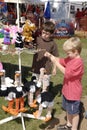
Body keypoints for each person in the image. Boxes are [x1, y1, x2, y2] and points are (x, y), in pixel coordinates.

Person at [44, 37, 84, 130]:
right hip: (67, 91)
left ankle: (74, 128)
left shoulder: (78, 63)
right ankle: (68, 125)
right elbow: (61, 60)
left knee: (74, 113)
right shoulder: (70, 58)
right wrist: (51, 56)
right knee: (68, 110)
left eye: (68, 53)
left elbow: (67, 74)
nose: (67, 55)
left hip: (73, 93)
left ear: (76, 51)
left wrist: (55, 63)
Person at [31, 21, 59, 92]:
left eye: (47, 34)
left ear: (51, 34)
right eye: (43, 33)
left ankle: (44, 100)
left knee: (45, 86)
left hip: (47, 68)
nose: (44, 35)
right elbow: (29, 43)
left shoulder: (53, 44)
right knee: (36, 84)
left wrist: (54, 68)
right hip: (36, 67)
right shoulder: (37, 39)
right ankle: (37, 98)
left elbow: (56, 57)